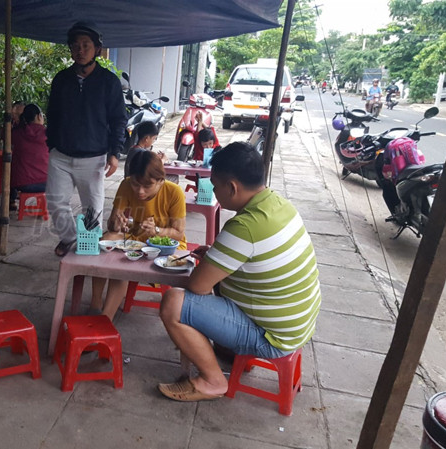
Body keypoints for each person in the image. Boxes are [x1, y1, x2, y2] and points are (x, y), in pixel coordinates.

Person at [156, 142, 321, 402]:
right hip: (298, 325)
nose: (213, 191)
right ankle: (226, 351)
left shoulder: (245, 226)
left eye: (215, 186)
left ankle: (213, 381)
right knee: (214, 285)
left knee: (173, 303)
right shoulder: (279, 204)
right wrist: (216, 257)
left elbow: (198, 286)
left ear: (232, 187)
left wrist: (209, 266)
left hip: (272, 337)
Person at [46, 21, 127, 257]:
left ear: (97, 49)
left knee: (92, 210)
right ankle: (70, 238)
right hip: (60, 155)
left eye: (85, 45)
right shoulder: (61, 79)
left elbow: (118, 120)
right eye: (75, 46)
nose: (80, 50)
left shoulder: (109, 82)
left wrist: (114, 153)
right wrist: (51, 144)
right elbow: (52, 114)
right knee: (55, 203)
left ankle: (89, 249)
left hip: (94, 157)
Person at [91, 151, 187, 319]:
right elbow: (112, 225)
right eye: (136, 184)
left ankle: (105, 318)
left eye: (147, 186)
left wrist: (157, 231)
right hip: (136, 238)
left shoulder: (174, 192)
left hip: (164, 245)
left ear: (160, 181)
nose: (140, 191)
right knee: (105, 240)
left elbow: (178, 233)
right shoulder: (126, 184)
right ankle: (95, 301)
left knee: (121, 267)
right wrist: (117, 223)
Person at [10, 103, 49, 209]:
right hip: (46, 182)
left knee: (10, 165)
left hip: (21, 184)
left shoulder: (16, 133)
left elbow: (5, 137)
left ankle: (11, 201)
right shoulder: (48, 133)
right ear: (39, 116)